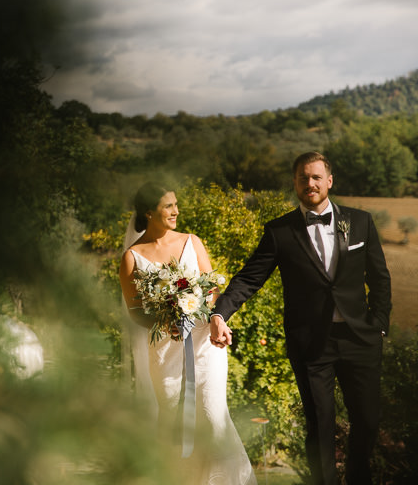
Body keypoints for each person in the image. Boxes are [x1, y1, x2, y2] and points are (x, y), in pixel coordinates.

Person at [210, 152, 391, 485]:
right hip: (311, 345)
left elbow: (379, 277)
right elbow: (249, 279)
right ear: (294, 182)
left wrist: (379, 324)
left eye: (316, 177)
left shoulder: (361, 221)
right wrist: (220, 312)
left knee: (366, 422)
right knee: (320, 425)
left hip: (359, 339)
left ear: (329, 181)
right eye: (303, 178)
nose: (310, 183)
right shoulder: (279, 232)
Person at [120, 183, 256, 484]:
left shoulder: (192, 242)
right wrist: (163, 318)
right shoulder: (132, 257)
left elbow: (211, 289)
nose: (176, 211)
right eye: (168, 206)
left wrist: (209, 315)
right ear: (148, 212)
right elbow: (134, 311)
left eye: (176, 205)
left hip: (203, 341)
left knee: (211, 413)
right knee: (172, 417)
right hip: (164, 348)